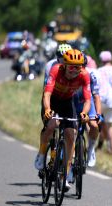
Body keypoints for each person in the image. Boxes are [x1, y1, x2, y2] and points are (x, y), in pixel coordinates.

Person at [34, 49, 91, 192]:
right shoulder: (55, 70)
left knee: (71, 135)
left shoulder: (84, 75)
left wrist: (84, 113)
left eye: (78, 67)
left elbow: (87, 99)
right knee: (52, 125)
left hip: (67, 102)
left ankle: (64, 175)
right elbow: (47, 94)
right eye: (71, 66)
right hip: (52, 101)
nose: (74, 70)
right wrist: (47, 109)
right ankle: (41, 154)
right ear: (64, 65)